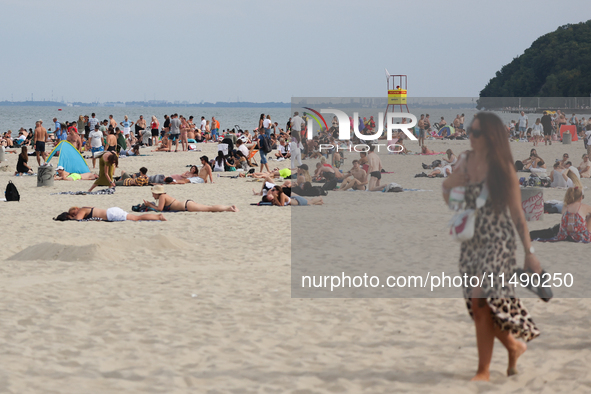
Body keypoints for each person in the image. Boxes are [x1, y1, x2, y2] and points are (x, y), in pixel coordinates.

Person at [441, 112, 546, 381]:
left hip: (498, 241)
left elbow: (517, 215)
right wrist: (448, 184)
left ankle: (483, 371)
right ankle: (514, 347)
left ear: (490, 136)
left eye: (475, 132)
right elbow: (451, 200)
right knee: (481, 309)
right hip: (471, 242)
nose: (469, 136)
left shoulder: (503, 167)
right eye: (469, 131)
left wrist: (529, 253)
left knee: (481, 300)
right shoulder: (464, 161)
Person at [144, 185, 238, 212]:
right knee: (209, 207)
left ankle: (229, 208)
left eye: (153, 194)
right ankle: (229, 207)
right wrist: (151, 205)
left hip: (187, 206)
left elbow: (159, 209)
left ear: (157, 193)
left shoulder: (162, 197)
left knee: (209, 208)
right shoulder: (164, 196)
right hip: (187, 204)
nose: (153, 196)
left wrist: (149, 205)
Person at [62, 206, 165, 222]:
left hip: (111, 214)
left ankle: (158, 217)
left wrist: (71, 217)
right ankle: (157, 217)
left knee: (137, 218)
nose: (74, 214)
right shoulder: (85, 209)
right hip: (111, 212)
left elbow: (78, 220)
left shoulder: (82, 210)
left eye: (73, 212)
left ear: (76, 208)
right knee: (135, 218)